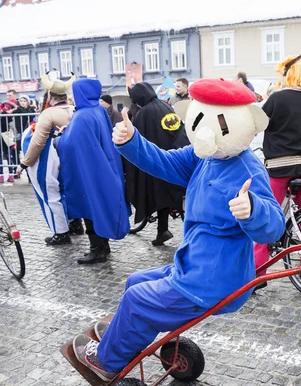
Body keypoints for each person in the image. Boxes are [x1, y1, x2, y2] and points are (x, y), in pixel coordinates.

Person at [72, 78, 285, 382]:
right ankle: (124, 333)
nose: (205, 133)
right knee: (135, 282)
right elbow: (164, 162)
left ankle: (107, 359)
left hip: (211, 280)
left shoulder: (247, 170)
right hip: (192, 265)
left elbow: (274, 227)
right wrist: (132, 139)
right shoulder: (206, 157)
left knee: (138, 300)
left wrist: (253, 209)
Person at [253, 50, 301, 286]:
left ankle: (258, 270)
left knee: (267, 216)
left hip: (280, 166)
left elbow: (258, 121)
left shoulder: (277, 98)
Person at [58, 78, 130, 264]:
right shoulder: (98, 110)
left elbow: (69, 144)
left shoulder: (82, 116)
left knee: (90, 207)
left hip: (89, 170)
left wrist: (60, 138)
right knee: (99, 206)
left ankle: (97, 249)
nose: (72, 96)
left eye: (74, 92)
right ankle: (103, 246)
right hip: (102, 165)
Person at [125, 82, 189, 245]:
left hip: (160, 161)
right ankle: (162, 230)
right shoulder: (165, 106)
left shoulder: (144, 113)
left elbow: (137, 142)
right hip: (176, 157)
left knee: (159, 194)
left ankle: (163, 230)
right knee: (166, 195)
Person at [17, 75, 77, 245]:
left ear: (50, 96)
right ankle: (75, 223)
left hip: (53, 158)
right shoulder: (75, 110)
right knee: (69, 191)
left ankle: (61, 232)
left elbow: (38, 142)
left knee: (51, 194)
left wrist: (25, 163)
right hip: (73, 159)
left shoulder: (49, 113)